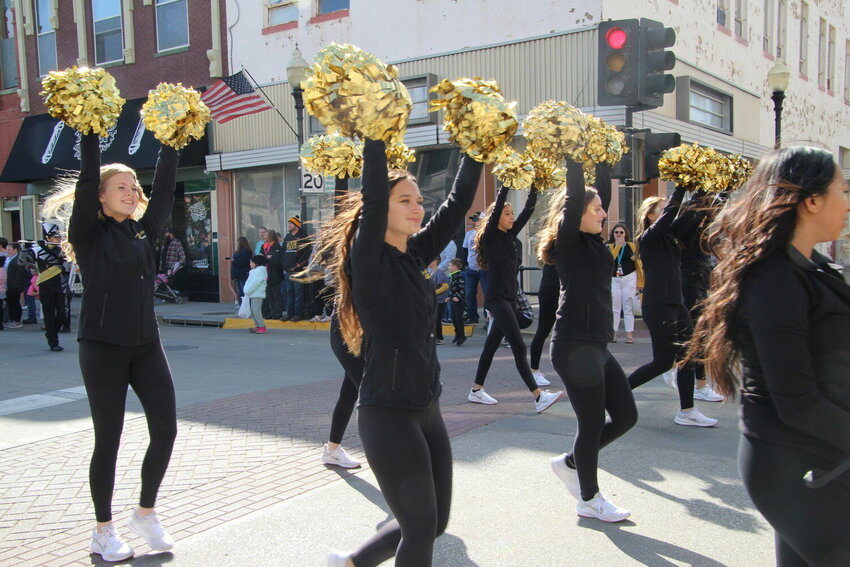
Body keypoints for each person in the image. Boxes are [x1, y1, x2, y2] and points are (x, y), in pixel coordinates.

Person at [686, 147, 850, 567]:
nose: (848, 202)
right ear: (811, 201)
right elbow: (797, 401)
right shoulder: (775, 280)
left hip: (819, 460)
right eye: (843, 190)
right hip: (793, 470)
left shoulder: (811, 266)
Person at [325, 139, 482, 567]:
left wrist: (479, 148)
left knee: (435, 523)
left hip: (426, 408)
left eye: (419, 200)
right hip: (388, 413)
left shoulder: (413, 254)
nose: (418, 208)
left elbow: (455, 204)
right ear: (381, 210)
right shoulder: (369, 258)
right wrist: (374, 134)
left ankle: (351, 563)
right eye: (405, 201)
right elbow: (373, 194)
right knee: (419, 529)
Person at [43, 131, 181, 561]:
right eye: (120, 186)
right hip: (102, 347)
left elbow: (161, 190)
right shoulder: (87, 231)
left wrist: (174, 138)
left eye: (133, 187)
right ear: (100, 197)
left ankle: (145, 512)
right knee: (110, 438)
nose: (131, 191)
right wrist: (89, 132)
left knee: (166, 429)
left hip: (146, 345)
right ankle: (103, 530)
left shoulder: (143, 231)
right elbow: (86, 178)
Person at [539, 160, 637, 523]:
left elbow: (602, 190)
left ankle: (570, 464)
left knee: (626, 416)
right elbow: (577, 194)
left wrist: (605, 155)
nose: (604, 213)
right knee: (592, 423)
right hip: (572, 344)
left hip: (597, 345)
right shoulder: (568, 242)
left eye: (602, 209)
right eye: (595, 209)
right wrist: (575, 156)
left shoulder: (596, 242)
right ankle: (589, 497)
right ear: (575, 213)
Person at [466, 184, 562, 411]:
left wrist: (536, 185)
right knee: (519, 346)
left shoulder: (509, 236)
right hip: (497, 299)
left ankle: (476, 390)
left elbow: (528, 211)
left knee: (491, 346)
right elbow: (498, 205)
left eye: (511, 214)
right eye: (507, 214)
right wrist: (506, 185)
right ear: (496, 217)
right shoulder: (490, 237)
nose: (511, 217)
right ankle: (539, 397)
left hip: (508, 298)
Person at [626, 191, 718, 428]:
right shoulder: (648, 238)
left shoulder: (673, 237)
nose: (670, 211)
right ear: (649, 216)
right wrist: (680, 185)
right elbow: (672, 215)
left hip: (676, 303)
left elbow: (691, 216)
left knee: (687, 356)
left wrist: (700, 189)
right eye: (663, 209)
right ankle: (616, 393)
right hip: (658, 304)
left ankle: (687, 411)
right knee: (663, 362)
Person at [21, 223, 70, 351]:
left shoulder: (61, 248)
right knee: (49, 315)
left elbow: (60, 258)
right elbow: (22, 263)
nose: (58, 239)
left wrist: (45, 248)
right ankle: (53, 341)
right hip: (45, 284)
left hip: (60, 284)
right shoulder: (37, 250)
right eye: (55, 237)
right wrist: (25, 249)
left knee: (63, 314)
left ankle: (52, 331)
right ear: (48, 238)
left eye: (59, 237)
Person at [607, 223, 643, 344]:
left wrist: (640, 283)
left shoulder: (631, 246)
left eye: (621, 232)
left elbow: (638, 262)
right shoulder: (609, 246)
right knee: (615, 308)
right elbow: (609, 260)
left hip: (630, 278)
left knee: (628, 307)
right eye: (616, 232)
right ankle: (614, 334)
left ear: (625, 234)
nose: (619, 234)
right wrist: (617, 246)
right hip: (614, 279)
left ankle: (629, 335)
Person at [528, 262, 558, 386]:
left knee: (566, 332)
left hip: (558, 290)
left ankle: (535, 371)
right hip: (552, 291)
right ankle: (534, 371)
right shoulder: (557, 245)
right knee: (543, 331)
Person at [282, 216, 311, 322]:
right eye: (288, 223)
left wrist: (300, 263)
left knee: (298, 293)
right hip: (288, 270)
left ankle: (298, 314)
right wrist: (284, 264)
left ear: (296, 225)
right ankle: (289, 314)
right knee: (289, 293)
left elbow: (307, 252)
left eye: (291, 224)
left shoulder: (303, 236)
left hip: (298, 271)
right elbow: (283, 251)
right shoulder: (288, 237)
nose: (289, 226)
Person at [461, 212, 486, 324]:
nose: (475, 221)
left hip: (484, 268)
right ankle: (472, 317)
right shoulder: (469, 234)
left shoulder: (486, 233)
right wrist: (465, 264)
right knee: (470, 293)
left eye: (477, 219)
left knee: (487, 293)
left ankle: (488, 317)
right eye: (474, 219)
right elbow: (464, 249)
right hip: (471, 268)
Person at [4, 242, 28, 328]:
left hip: (14, 285)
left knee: (15, 303)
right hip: (7, 284)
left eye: (9, 249)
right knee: (10, 303)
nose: (7, 251)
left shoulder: (18, 259)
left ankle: (17, 321)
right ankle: (12, 320)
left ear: (15, 250)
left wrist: (17, 286)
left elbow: (20, 274)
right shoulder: (8, 258)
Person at [243, 255, 268, 334]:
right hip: (252, 293)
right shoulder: (254, 271)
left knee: (256, 311)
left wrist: (248, 290)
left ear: (257, 263)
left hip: (257, 294)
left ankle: (262, 326)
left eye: (251, 262)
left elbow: (255, 283)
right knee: (253, 311)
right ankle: (257, 326)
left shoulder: (259, 271)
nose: (250, 264)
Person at [263, 229, 284, 319]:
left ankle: (278, 312)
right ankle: (271, 312)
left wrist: (268, 258)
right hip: (266, 275)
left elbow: (278, 260)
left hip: (275, 275)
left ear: (270, 236)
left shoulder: (277, 247)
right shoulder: (264, 246)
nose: (264, 237)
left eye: (265, 235)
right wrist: (267, 258)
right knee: (269, 296)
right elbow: (261, 257)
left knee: (276, 295)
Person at [428, 258, 450, 344]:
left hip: (440, 300)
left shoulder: (439, 272)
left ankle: (439, 338)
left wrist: (435, 292)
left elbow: (445, 286)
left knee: (437, 319)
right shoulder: (430, 273)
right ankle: (434, 337)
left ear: (436, 261)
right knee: (433, 319)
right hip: (434, 300)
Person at [447, 258, 466, 345]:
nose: (448, 267)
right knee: (454, 319)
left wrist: (457, 297)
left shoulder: (459, 276)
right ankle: (457, 334)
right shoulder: (451, 276)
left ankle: (462, 336)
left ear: (455, 267)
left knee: (458, 319)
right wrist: (449, 297)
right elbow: (451, 289)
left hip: (459, 302)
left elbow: (462, 289)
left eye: (449, 266)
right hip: (452, 301)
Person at [230, 236, 252, 302]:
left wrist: (234, 261)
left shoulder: (245, 251)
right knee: (240, 289)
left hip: (242, 273)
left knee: (243, 289)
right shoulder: (240, 251)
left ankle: (245, 304)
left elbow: (243, 261)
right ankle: (242, 304)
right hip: (238, 273)